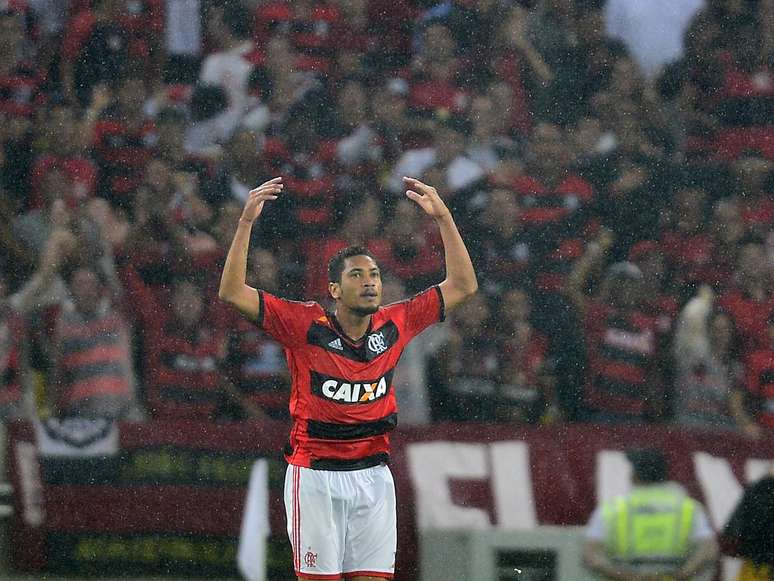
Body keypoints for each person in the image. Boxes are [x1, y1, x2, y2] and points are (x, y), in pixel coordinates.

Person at [218, 175, 477, 580]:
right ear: (335, 290)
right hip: (315, 477)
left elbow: (463, 285)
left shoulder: (397, 322)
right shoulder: (304, 324)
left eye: (374, 274)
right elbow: (232, 291)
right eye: (357, 275)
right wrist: (246, 222)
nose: (369, 281)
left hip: (374, 478)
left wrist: (443, 218)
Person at [582, 448, 718, 581]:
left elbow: (592, 555)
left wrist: (626, 576)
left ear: (633, 475)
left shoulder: (611, 509)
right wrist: (679, 576)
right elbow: (708, 550)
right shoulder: (689, 509)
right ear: (665, 476)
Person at [721, 465, 774, 581]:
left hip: (756, 564)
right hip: (759, 564)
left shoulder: (757, 490)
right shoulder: (758, 490)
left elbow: (733, 531)